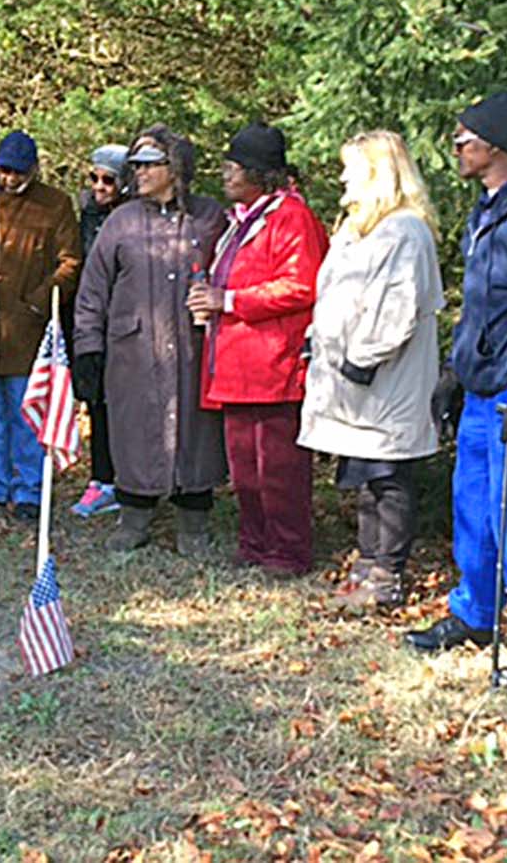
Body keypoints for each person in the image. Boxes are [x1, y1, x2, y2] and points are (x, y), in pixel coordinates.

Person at [406, 91, 507, 691]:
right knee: (473, 510)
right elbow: (480, 307)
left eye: (465, 136)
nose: (456, 145)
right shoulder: (487, 210)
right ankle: (472, 612)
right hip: (479, 389)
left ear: (497, 145)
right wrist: (453, 370)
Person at [299, 131, 442, 611]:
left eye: (352, 167)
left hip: (384, 380)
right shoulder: (355, 229)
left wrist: (359, 359)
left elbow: (397, 310)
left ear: (378, 172)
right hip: (349, 381)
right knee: (363, 475)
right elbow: (336, 296)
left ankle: (387, 575)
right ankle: (366, 562)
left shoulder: (406, 231)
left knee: (389, 477)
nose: (342, 177)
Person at [72, 124, 227, 556]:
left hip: (194, 351)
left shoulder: (209, 218)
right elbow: (92, 291)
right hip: (132, 353)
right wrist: (88, 348)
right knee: (134, 432)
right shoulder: (122, 222)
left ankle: (194, 521)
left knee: (196, 432)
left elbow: (235, 273)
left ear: (175, 168)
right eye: (134, 165)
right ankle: (134, 517)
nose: (137, 172)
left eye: (148, 164)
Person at [187, 123, 328, 577]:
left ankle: (288, 550)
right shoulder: (242, 220)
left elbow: (300, 285)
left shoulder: (291, 217)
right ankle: (254, 542)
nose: (226, 175)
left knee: (279, 468)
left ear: (259, 173)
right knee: (244, 466)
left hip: (274, 362)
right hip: (235, 362)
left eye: (234, 167)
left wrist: (227, 300)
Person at [0, 131, 81, 520]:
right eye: (4, 170)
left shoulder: (55, 205)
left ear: (34, 170)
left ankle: (28, 492)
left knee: (26, 415)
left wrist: (36, 304)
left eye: (18, 173)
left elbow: (70, 262)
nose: (9, 179)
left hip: (28, 332)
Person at [72, 144, 127, 517]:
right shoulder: (85, 216)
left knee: (125, 406)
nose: (99, 186)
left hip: (126, 324)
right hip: (90, 322)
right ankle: (101, 479)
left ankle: (128, 482)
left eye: (108, 179)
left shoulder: (134, 219)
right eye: (93, 177)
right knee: (96, 403)